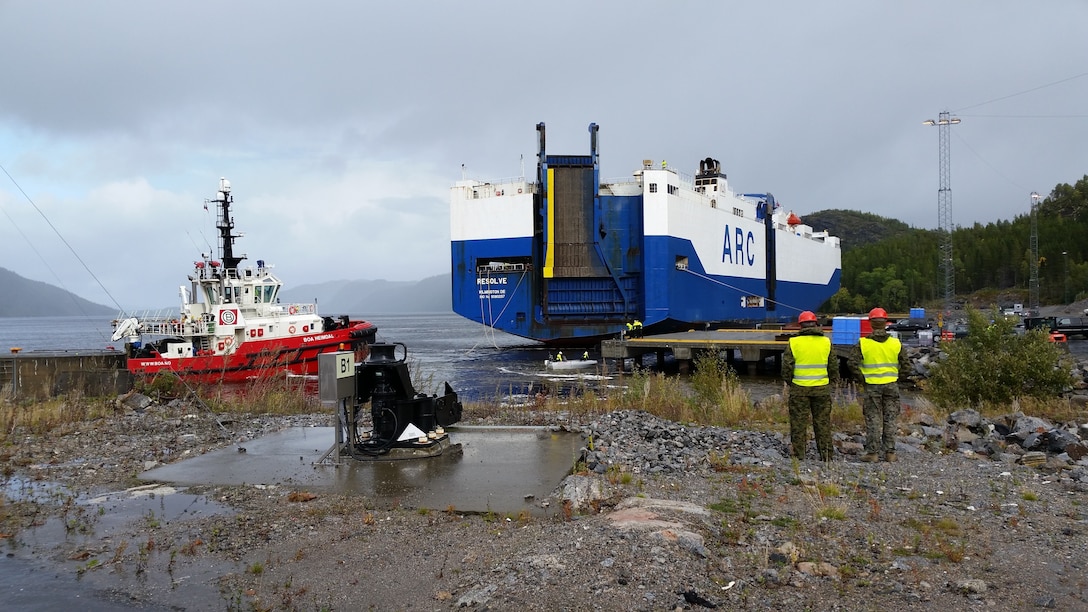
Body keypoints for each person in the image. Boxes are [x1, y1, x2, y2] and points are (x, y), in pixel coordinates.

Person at [848, 307, 910, 463]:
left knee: (873, 419)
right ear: (886, 323)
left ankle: (873, 453)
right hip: (891, 385)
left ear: (870, 323)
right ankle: (890, 453)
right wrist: (897, 378)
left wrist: (863, 379)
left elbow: (852, 363)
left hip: (872, 386)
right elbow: (907, 366)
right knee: (890, 418)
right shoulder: (896, 343)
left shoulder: (863, 343)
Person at [782, 310, 839, 461]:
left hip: (799, 389)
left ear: (800, 325)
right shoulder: (826, 342)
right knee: (822, 422)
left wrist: (791, 383)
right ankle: (826, 454)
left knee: (798, 423)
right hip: (821, 390)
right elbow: (833, 367)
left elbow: (786, 368)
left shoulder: (794, 342)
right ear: (816, 324)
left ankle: (799, 454)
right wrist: (830, 382)